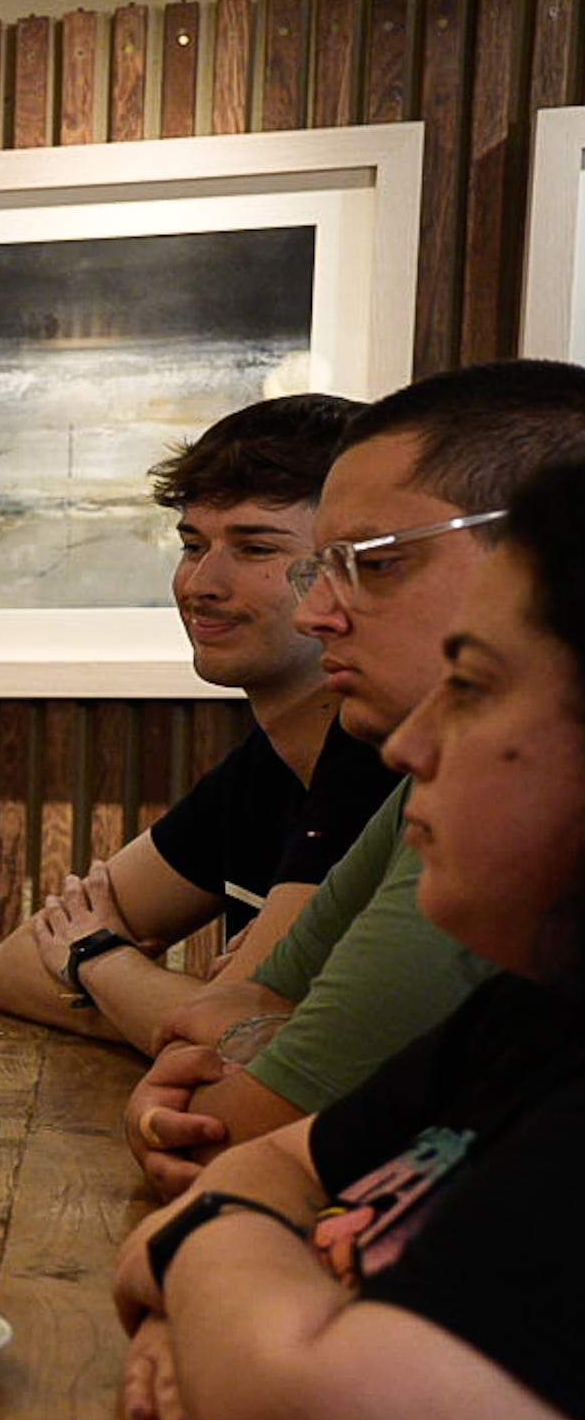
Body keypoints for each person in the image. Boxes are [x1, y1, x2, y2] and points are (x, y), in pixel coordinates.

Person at [111, 462, 585, 1420]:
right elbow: (205, 1203)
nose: (423, 744)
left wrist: (259, 1317)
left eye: (477, 685)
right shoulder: (532, 1012)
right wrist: (263, 1294)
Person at [122, 361, 585, 1196]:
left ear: (536, 553)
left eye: (373, 564)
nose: (315, 612)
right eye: (320, 566)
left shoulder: (521, 800)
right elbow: (220, 1021)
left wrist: (246, 1048)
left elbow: (226, 1137)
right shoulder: (417, 770)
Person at [0, 395, 390, 1047]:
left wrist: (96, 957)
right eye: (192, 544)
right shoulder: (265, 765)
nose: (202, 581)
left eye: (255, 546)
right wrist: (177, 1011)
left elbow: (246, 1040)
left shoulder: (381, 759)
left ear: (350, 569)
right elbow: (11, 967)